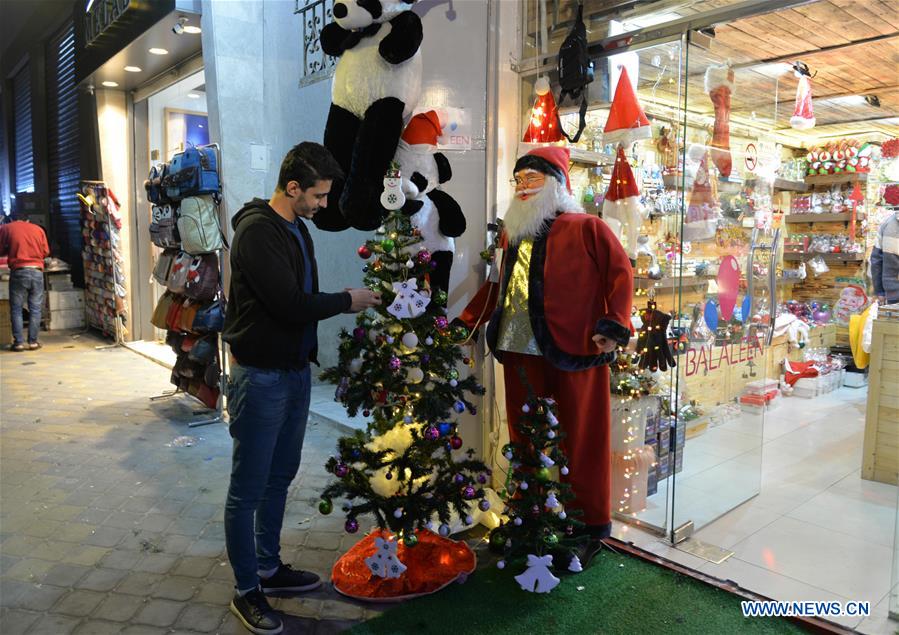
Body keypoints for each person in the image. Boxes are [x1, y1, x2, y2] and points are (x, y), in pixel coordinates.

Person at [222, 142, 381, 635]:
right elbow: (291, 303)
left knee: (280, 476)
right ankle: (247, 591)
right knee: (247, 489)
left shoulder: (296, 228)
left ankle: (269, 568)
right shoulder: (256, 232)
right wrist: (346, 300)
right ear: (292, 188)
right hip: (261, 376)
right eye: (318, 195)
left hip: (293, 373)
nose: (323, 204)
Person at [455, 146, 633, 564]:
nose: (523, 187)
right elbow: (499, 287)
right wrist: (467, 320)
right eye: (518, 180)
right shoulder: (510, 234)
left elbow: (620, 274)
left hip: (574, 348)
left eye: (532, 179)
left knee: (582, 438)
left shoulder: (588, 227)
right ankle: (530, 511)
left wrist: (612, 324)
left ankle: (589, 524)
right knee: (524, 437)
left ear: (556, 184)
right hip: (518, 351)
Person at [0, 213, 50, 351]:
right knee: (35, 308)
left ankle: (19, 343)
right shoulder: (38, 229)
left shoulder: (6, 228)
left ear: (11, 219)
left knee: (16, 309)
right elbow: (45, 251)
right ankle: (33, 342)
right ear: (27, 219)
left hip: (19, 272)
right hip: (37, 271)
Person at [871, 210, 898, 305]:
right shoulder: (887, 224)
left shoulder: (887, 223)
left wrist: (879, 291)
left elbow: (876, 261)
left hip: (893, 292)